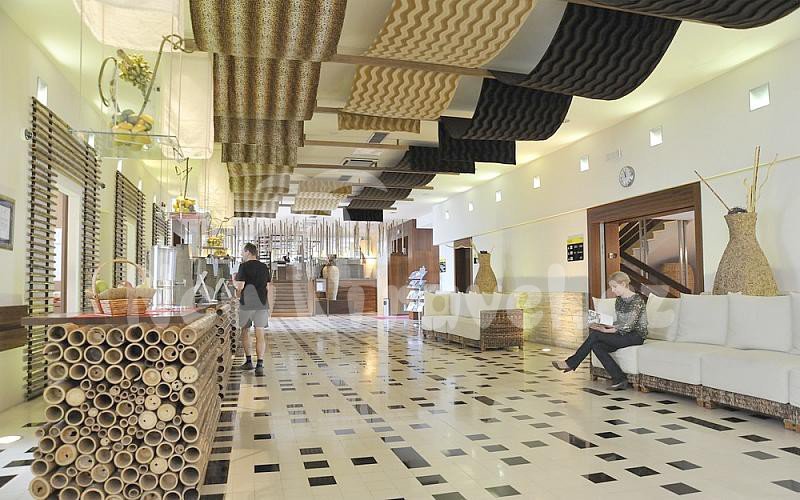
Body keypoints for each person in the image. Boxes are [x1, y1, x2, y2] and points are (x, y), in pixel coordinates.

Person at [552, 271, 648, 390]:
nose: (612, 290)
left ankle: (571, 363)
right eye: (611, 287)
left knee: (595, 335)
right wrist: (604, 325)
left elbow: (628, 326)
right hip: (623, 334)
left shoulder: (637, 300)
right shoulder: (619, 300)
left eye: (615, 287)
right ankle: (619, 379)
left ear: (623, 284)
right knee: (597, 346)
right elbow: (621, 322)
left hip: (636, 336)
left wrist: (606, 331)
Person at [234, 242, 271, 376]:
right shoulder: (264, 267)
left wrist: (234, 281)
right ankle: (259, 364)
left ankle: (249, 361)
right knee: (260, 333)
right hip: (261, 304)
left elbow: (240, 286)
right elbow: (267, 287)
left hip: (247, 304)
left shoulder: (243, 266)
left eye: (243, 252)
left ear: (248, 252)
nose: (242, 254)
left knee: (245, 331)